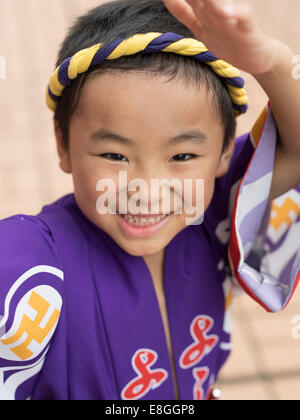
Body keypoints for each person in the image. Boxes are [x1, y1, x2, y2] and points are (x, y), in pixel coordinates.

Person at [0, 0, 299, 400]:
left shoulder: (216, 219)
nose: (147, 189)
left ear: (225, 152)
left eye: (182, 156)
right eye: (114, 156)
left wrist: (273, 64)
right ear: (63, 144)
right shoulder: (36, 267)